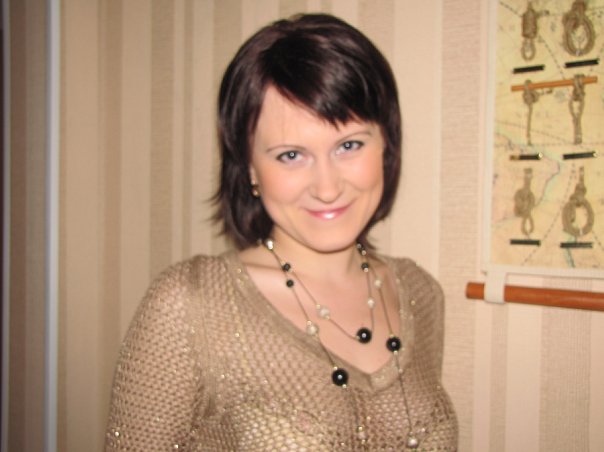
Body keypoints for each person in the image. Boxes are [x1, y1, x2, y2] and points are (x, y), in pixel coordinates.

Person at [105, 13, 458, 451]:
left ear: (386, 144)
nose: (327, 188)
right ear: (249, 167)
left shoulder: (421, 295)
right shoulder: (189, 306)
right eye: (291, 155)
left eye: (349, 145)